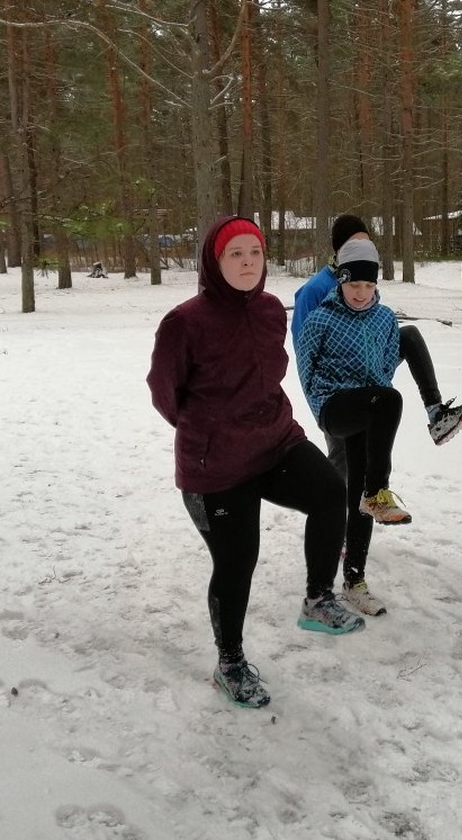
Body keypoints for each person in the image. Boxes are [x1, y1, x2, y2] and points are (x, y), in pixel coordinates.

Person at [148, 215, 365, 710]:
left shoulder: (270, 310)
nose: (248, 262)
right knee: (237, 560)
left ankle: (318, 598)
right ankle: (230, 663)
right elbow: (164, 393)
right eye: (235, 254)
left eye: (256, 253)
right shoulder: (185, 323)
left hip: (274, 443)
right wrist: (209, 429)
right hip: (216, 465)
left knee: (330, 491)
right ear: (215, 261)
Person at [295, 237, 412, 617]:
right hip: (333, 407)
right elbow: (305, 368)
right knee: (390, 400)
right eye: (353, 284)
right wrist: (320, 408)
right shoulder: (321, 319)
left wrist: (373, 399)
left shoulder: (385, 318)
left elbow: (387, 363)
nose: (361, 293)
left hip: (368, 409)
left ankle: (354, 580)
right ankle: (378, 491)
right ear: (341, 282)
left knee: (357, 495)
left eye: (368, 284)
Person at [292, 215, 462, 448]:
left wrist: (379, 381)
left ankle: (436, 413)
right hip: (336, 393)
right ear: (339, 249)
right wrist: (320, 406)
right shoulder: (315, 289)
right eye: (356, 243)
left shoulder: (365, 276)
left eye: (367, 242)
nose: (364, 248)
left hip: (366, 375)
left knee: (408, 335)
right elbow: (304, 352)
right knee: (344, 458)